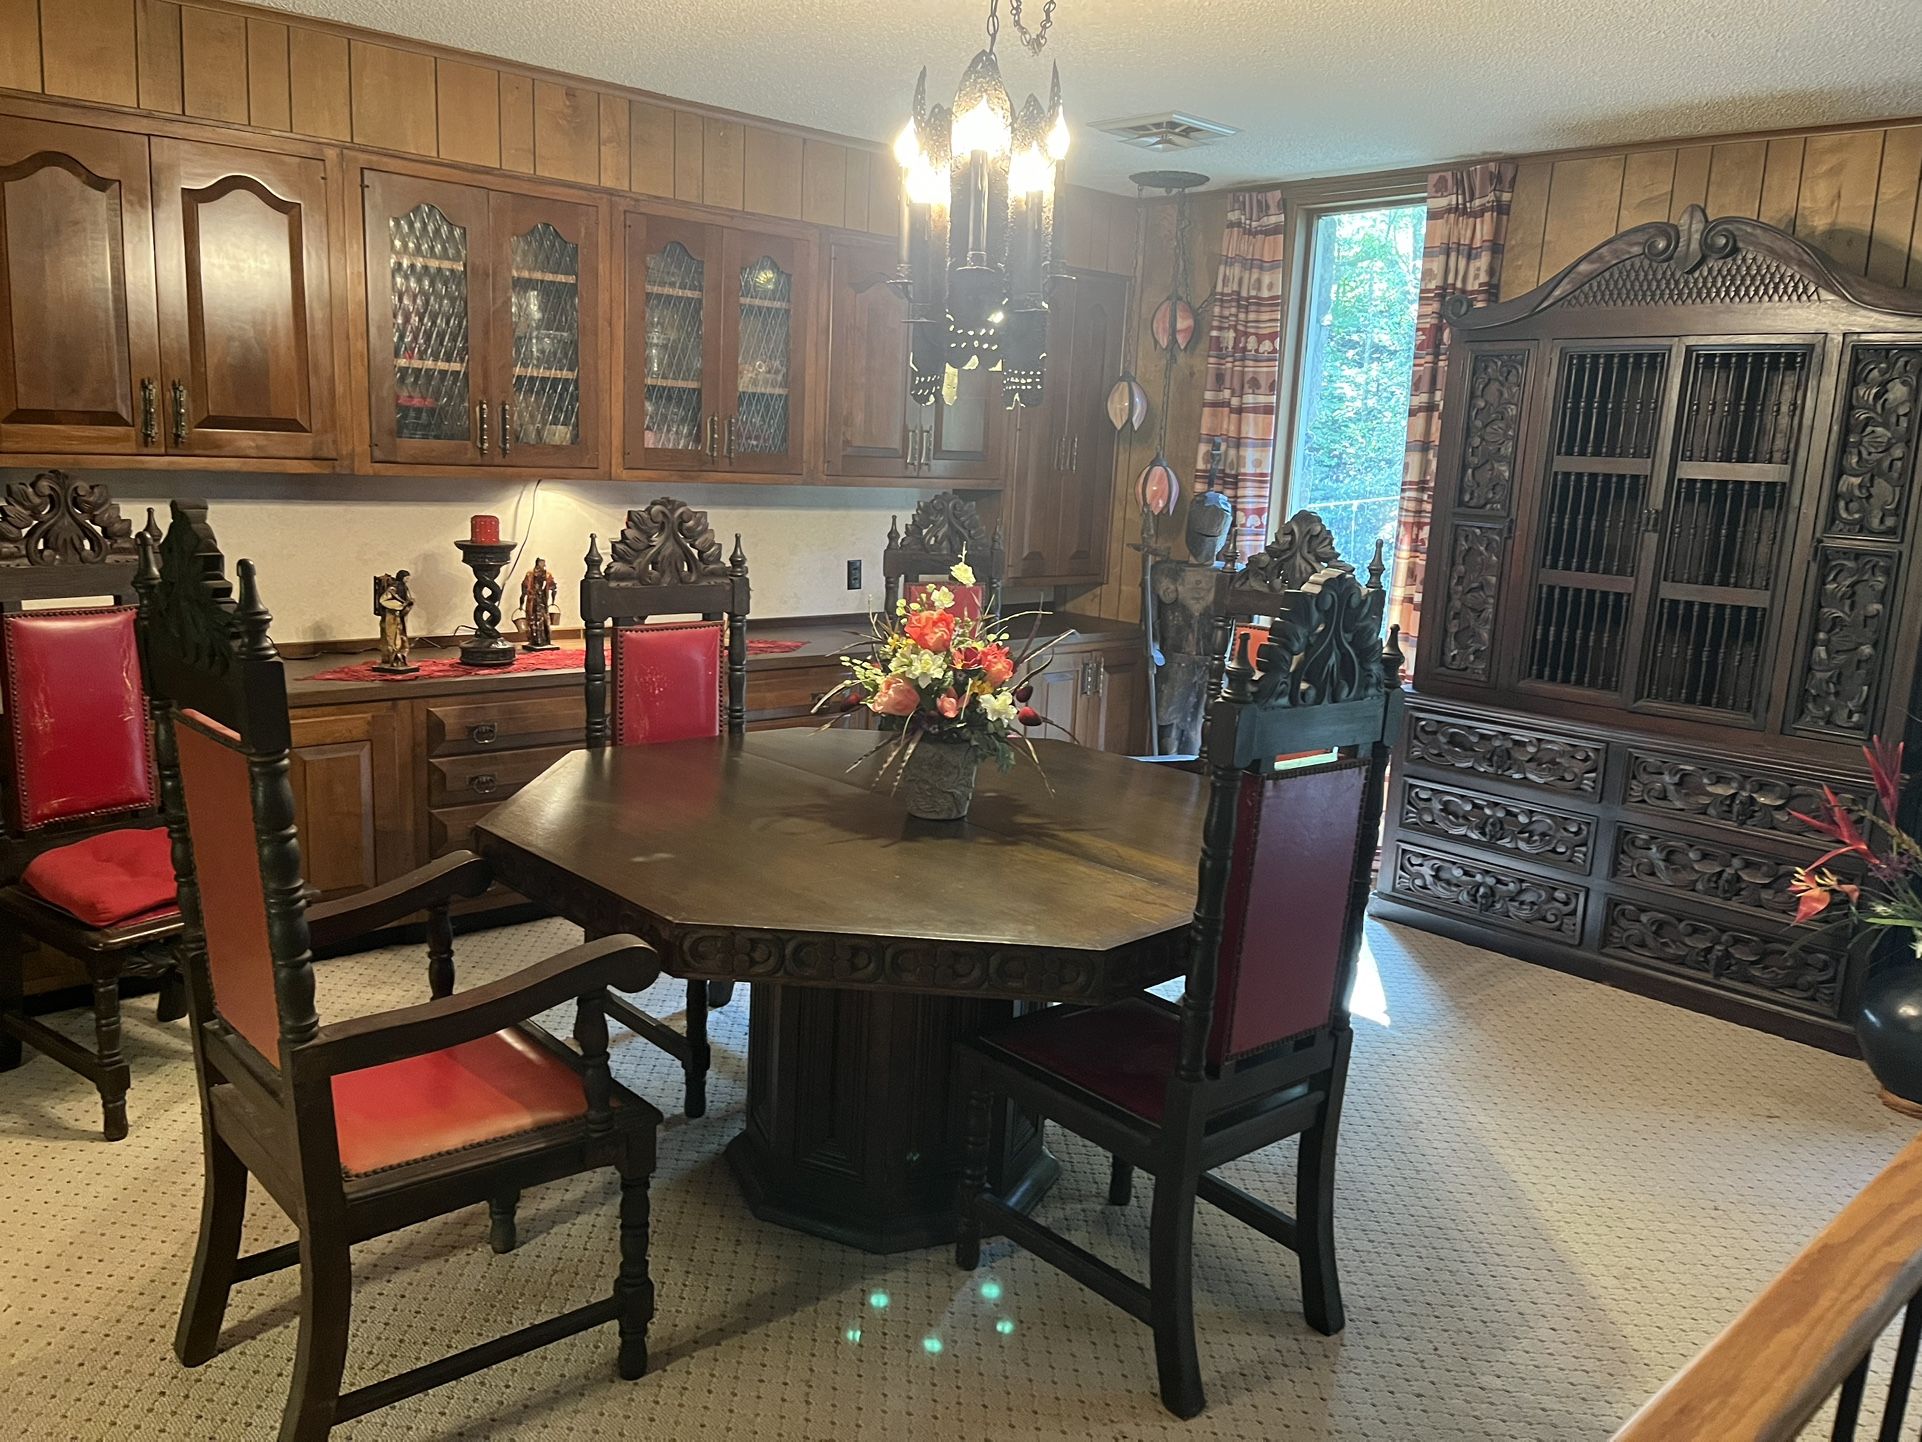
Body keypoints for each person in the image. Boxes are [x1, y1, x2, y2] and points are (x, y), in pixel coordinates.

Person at [373, 570, 417, 673]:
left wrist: (408, 603)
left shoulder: (404, 587)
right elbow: (384, 600)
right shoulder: (393, 588)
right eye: (406, 578)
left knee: (402, 635)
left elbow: (406, 598)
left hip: (400, 615)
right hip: (392, 614)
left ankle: (402, 655)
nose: (408, 580)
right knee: (392, 635)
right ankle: (393, 656)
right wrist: (399, 605)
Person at [518, 557, 559, 651]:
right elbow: (524, 588)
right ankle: (536, 640)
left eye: (543, 565)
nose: (542, 567)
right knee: (533, 620)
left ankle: (543, 640)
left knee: (542, 620)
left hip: (542, 602)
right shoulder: (530, 574)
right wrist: (521, 601)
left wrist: (552, 599)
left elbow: (553, 587)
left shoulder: (547, 575)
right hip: (533, 601)